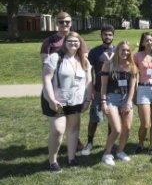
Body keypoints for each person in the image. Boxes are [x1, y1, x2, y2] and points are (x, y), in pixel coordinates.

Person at [41, 32, 92, 173]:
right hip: (57, 101)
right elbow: (46, 79)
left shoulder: (84, 61)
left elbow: (88, 81)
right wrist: (51, 100)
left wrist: (88, 100)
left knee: (73, 130)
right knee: (58, 130)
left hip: (76, 101)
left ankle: (71, 158)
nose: (73, 43)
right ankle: (53, 161)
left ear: (80, 43)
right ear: (65, 42)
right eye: (70, 41)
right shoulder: (55, 58)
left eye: (76, 41)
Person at [40, 11, 89, 151]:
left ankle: (74, 142)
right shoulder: (49, 41)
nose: (65, 24)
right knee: (58, 122)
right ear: (57, 23)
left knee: (73, 120)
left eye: (67, 21)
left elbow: (84, 63)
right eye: (61, 22)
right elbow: (45, 64)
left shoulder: (78, 39)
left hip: (74, 87)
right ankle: (57, 145)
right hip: (57, 85)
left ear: (71, 23)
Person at [100, 41, 137, 166]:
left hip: (126, 99)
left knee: (127, 127)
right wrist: (104, 102)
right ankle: (107, 153)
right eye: (122, 50)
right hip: (112, 99)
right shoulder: (108, 65)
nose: (125, 53)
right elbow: (103, 86)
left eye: (127, 50)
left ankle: (120, 151)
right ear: (117, 51)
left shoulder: (132, 66)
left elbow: (132, 87)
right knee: (116, 129)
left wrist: (128, 102)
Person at [81, 24, 115, 156]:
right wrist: (92, 90)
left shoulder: (118, 51)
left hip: (114, 91)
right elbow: (88, 72)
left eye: (110, 34)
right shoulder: (94, 52)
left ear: (113, 36)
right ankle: (89, 142)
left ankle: (110, 143)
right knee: (94, 118)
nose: (107, 37)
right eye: (105, 34)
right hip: (98, 90)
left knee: (113, 119)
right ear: (101, 35)